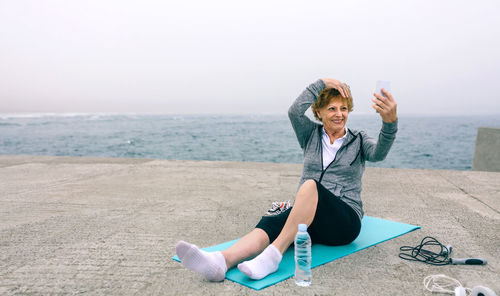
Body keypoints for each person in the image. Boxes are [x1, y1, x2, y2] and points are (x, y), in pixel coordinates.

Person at [175, 78, 398, 282]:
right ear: (318, 112)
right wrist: (320, 83)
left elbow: (378, 153)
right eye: (331, 108)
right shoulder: (310, 135)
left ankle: (273, 256)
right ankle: (221, 261)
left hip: (345, 222)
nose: (339, 114)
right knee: (271, 221)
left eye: (343, 108)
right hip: (309, 219)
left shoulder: (359, 140)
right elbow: (294, 111)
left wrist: (389, 123)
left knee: (310, 186)